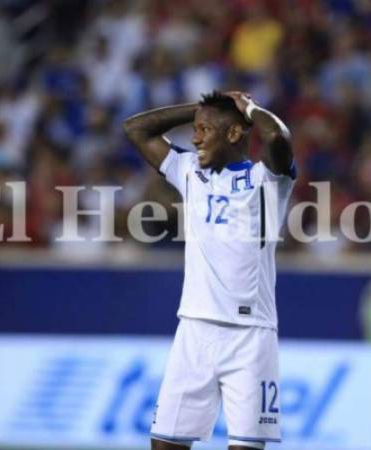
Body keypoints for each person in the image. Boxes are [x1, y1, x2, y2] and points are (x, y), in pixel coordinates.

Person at [123, 91, 295, 450]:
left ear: (233, 134)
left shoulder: (268, 180)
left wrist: (246, 108)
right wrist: (199, 112)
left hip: (250, 336)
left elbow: (277, 137)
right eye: (195, 130)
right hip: (195, 330)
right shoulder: (189, 171)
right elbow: (136, 129)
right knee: (165, 445)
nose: (195, 137)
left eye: (204, 130)